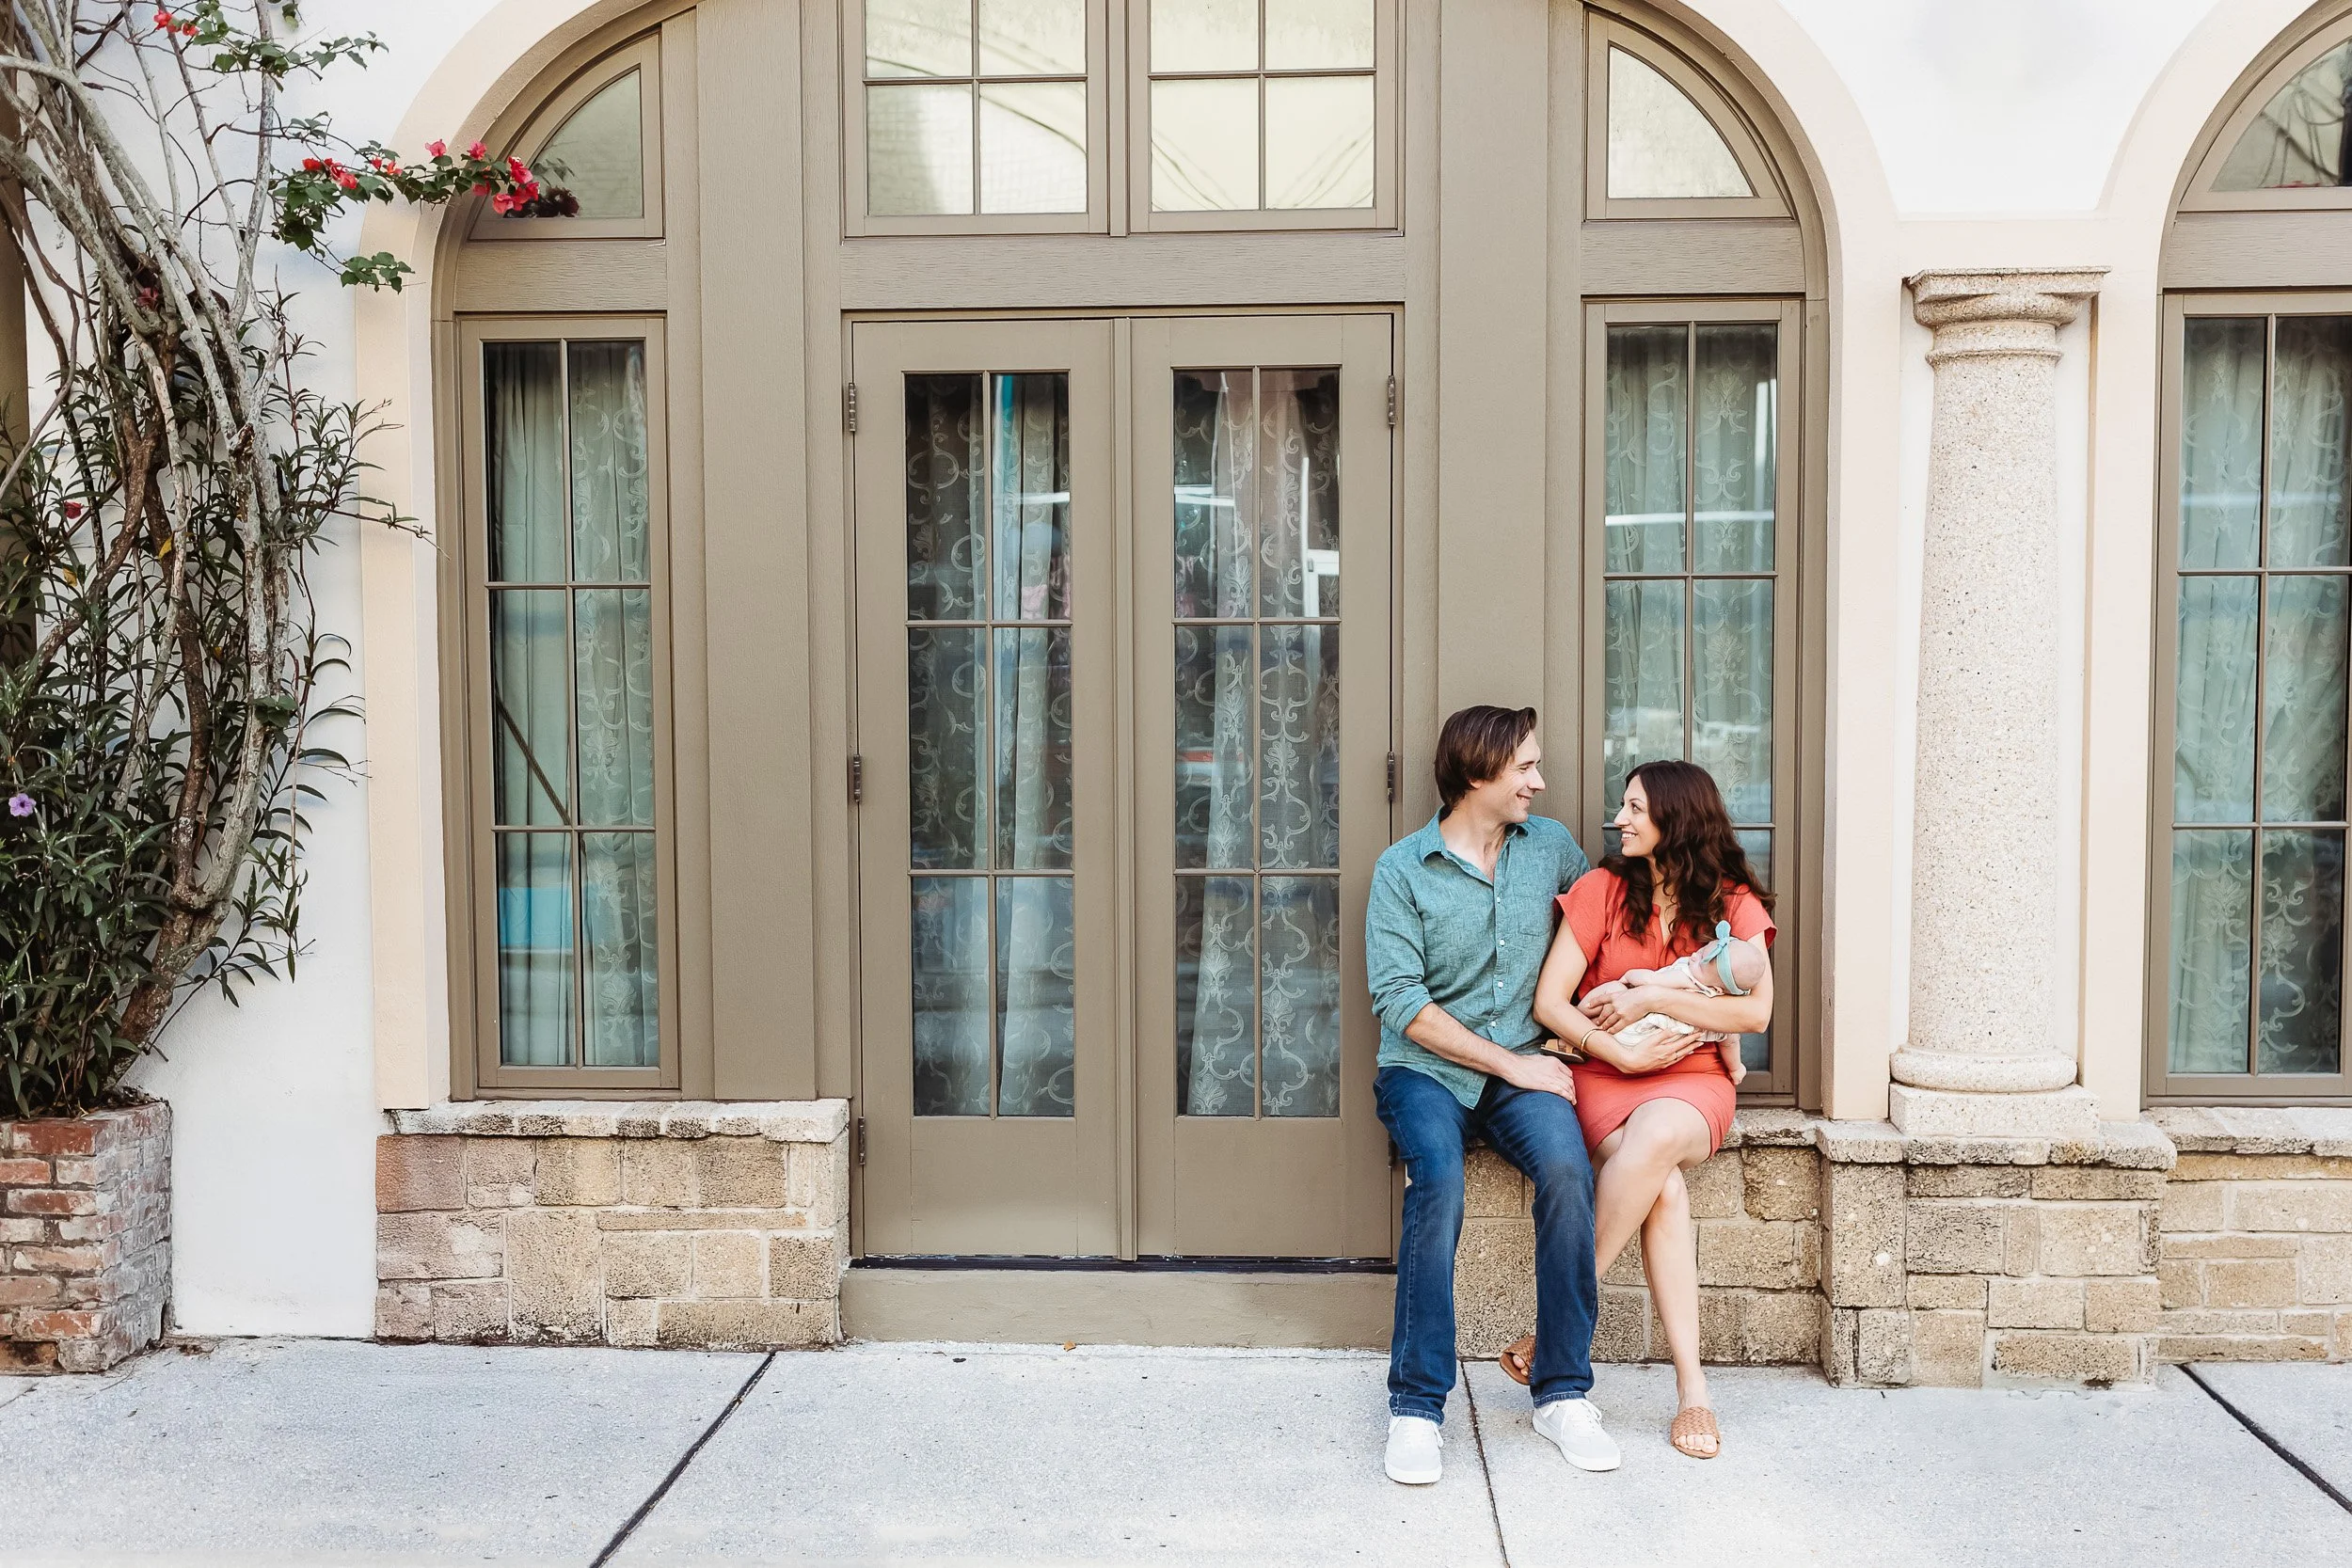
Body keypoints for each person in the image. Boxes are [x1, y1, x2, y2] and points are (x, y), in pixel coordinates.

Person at [1364, 705, 1620, 1486]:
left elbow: (1609, 931)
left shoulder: (1553, 850)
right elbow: (1402, 1001)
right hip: (1426, 1073)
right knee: (1436, 1177)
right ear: (1478, 774)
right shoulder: (1402, 869)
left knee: (1572, 1172)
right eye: (1526, 769)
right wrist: (1514, 1066)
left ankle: (1563, 1393)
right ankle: (1416, 1407)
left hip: (1527, 1067)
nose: (1540, 782)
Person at [1506, 759, 1776, 1462]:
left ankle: (1558, 1320)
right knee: (1665, 1186)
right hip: (1605, 1071)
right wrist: (1615, 1050)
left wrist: (1653, 996)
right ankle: (1693, 1390)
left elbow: (1757, 1007)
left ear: (1674, 820)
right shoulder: (1600, 889)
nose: (1619, 819)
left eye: (1634, 808)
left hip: (1694, 1080)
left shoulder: (1733, 903)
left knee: (1658, 1135)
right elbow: (1550, 1002)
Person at [1593, 928, 1768, 1087]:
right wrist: (1736, 1069)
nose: (1693, 956)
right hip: (1653, 1048)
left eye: (1700, 961)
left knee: (1612, 991)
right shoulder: (1720, 1018)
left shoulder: (1687, 978)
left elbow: (1651, 981)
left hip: (1633, 1029)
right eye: (1701, 950)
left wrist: (1628, 977)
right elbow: (1730, 1043)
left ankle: (1578, 1013)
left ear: (1715, 989)